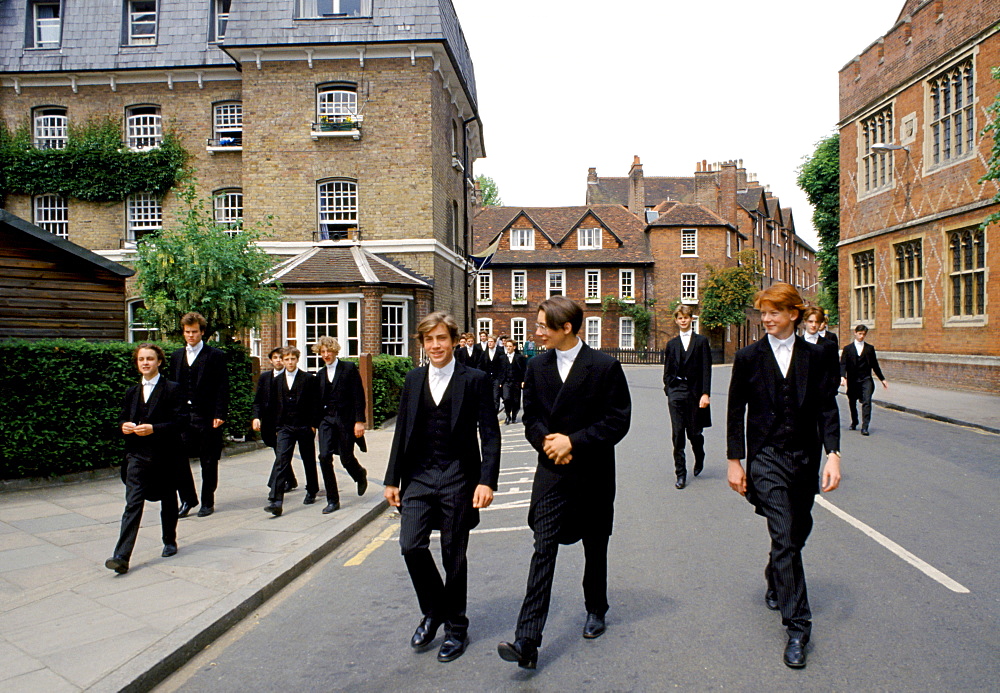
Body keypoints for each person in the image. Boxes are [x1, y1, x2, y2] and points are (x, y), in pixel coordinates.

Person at [498, 296, 632, 670]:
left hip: (592, 472)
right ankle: (527, 639)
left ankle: (596, 608)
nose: (537, 332)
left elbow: (618, 420)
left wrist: (573, 441)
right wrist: (548, 443)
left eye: (543, 326)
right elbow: (532, 418)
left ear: (566, 328)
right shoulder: (537, 366)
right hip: (552, 473)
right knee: (543, 549)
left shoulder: (604, 366)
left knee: (595, 545)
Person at [726, 283, 841, 669]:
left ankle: (776, 573)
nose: (766, 319)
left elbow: (827, 407)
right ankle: (797, 627)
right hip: (766, 457)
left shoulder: (818, 356)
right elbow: (735, 411)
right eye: (763, 313)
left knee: (798, 529)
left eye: (773, 312)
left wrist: (833, 455)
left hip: (804, 458)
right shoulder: (748, 357)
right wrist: (735, 461)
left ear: (794, 313)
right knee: (784, 533)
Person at [384, 312, 501, 663]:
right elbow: (402, 430)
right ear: (422, 344)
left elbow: (490, 435)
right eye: (429, 340)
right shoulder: (413, 379)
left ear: (453, 341)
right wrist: (392, 478)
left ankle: (456, 627)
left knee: (453, 554)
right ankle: (434, 610)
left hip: (458, 476)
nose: (436, 346)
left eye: (442, 339)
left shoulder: (475, 379)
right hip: (419, 476)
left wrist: (486, 480)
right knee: (410, 545)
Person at [106, 344, 188, 574]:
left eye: (150, 359)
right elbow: (122, 418)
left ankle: (169, 540)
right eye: (141, 359)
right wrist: (124, 426)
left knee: (168, 500)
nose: (145, 363)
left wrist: (154, 429)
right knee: (132, 503)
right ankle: (121, 555)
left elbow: (181, 422)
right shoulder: (131, 392)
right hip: (136, 456)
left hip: (165, 455)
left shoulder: (173, 389)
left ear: (159, 361)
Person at [170, 312, 229, 518]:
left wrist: (220, 413)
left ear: (202, 332)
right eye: (187, 332)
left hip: (207, 415)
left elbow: (223, 386)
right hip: (183, 416)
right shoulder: (176, 356)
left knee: (209, 460)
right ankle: (188, 498)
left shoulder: (215, 356)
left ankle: (207, 501)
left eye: (195, 332)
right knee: (177, 458)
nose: (191, 336)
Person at [260, 347, 319, 516]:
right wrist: (277, 427)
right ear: (283, 361)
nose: (290, 362)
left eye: (293, 359)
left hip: (304, 425)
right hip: (285, 427)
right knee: (281, 460)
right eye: (286, 359)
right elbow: (273, 406)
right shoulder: (276, 381)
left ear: (297, 359)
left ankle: (312, 489)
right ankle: (276, 500)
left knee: (308, 459)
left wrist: (313, 424)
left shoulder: (308, 379)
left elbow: (314, 403)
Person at [313, 336, 368, 514]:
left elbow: (358, 395)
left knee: (346, 457)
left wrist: (359, 421)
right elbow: (316, 402)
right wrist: (315, 424)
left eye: (329, 351)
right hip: (326, 420)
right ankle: (332, 499)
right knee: (324, 457)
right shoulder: (320, 374)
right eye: (322, 352)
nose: (326, 355)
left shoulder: (348, 369)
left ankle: (360, 474)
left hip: (345, 420)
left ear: (335, 351)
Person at [661, 305, 712, 489]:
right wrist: (668, 388)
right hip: (676, 391)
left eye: (686, 317)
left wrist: (705, 393)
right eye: (680, 318)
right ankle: (680, 474)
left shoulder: (701, 341)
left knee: (694, 433)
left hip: (695, 391)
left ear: (691, 319)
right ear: (676, 320)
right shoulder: (672, 344)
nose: (683, 320)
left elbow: (706, 368)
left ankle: (700, 455)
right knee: (677, 434)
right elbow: (667, 370)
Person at [252, 347, 298, 491]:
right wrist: (256, 417)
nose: (278, 360)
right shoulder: (265, 377)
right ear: (271, 360)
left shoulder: (290, 376)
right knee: (278, 451)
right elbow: (258, 399)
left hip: (284, 422)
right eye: (275, 358)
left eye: (280, 357)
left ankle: (275, 484)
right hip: (268, 421)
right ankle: (291, 479)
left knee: (281, 452)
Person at [839, 324, 888, 436]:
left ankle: (865, 426)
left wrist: (882, 379)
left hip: (866, 379)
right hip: (852, 380)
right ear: (855, 333)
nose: (861, 336)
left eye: (863, 334)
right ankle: (854, 421)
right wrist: (843, 377)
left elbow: (875, 365)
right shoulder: (848, 349)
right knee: (852, 401)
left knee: (867, 402)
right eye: (860, 334)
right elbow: (843, 364)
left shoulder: (869, 349)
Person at [501, 338, 527, 424]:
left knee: (516, 400)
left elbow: (524, 370)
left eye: (510, 346)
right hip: (506, 382)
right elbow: (499, 370)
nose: (508, 348)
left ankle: (514, 416)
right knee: (506, 398)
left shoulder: (519, 357)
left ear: (514, 347)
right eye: (507, 346)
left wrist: (523, 381)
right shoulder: (502, 358)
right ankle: (508, 415)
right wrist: (500, 382)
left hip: (516, 382)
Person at [481, 335, 507, 412]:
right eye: (488, 342)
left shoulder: (500, 352)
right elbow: (481, 365)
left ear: (495, 343)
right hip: (487, 378)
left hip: (496, 378)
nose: (489, 343)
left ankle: (495, 413)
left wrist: (501, 380)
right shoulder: (484, 353)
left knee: (496, 397)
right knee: (488, 397)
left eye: (491, 341)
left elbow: (503, 366)